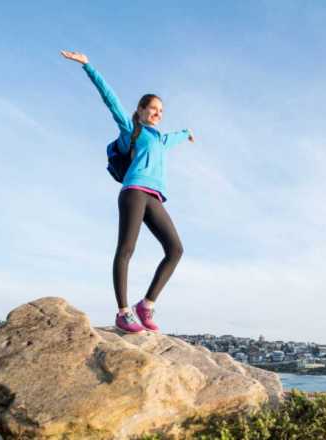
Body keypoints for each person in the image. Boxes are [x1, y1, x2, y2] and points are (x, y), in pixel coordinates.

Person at [61, 50, 195, 334]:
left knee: (175, 249)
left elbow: (176, 136)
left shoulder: (161, 140)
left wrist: (187, 133)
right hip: (133, 191)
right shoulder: (131, 129)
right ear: (142, 110)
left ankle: (145, 305)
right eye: (153, 109)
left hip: (155, 197)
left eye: (161, 111)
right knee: (127, 249)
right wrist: (88, 66)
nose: (157, 114)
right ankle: (123, 312)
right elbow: (109, 99)